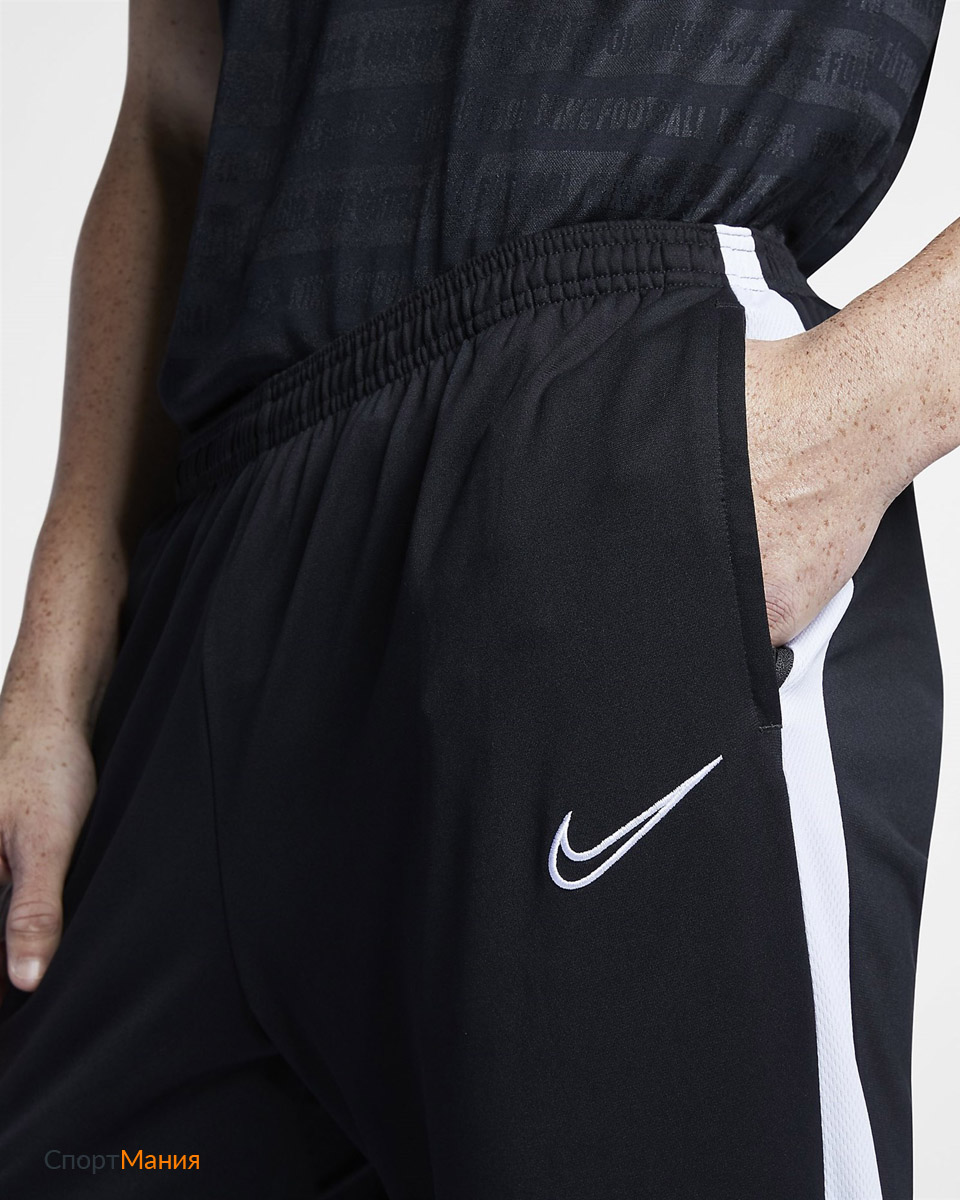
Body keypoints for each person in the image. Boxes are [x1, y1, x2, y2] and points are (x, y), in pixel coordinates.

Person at [0, 1, 953, 1196]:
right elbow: (177, 114)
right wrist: (56, 657)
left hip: (603, 458)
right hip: (210, 570)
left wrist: (860, 413)